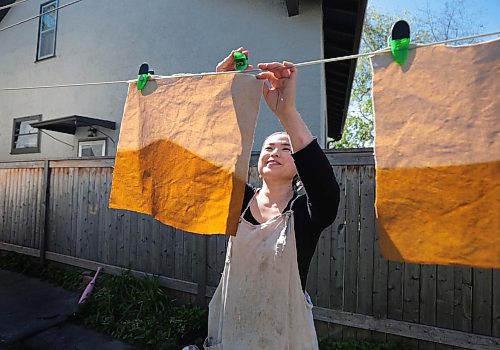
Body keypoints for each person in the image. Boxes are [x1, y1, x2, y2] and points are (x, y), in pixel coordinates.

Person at [203, 48, 341, 350]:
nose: (274, 152)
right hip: (231, 330)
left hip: (284, 336)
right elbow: (210, 160)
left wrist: (286, 113)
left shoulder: (306, 211)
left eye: (285, 148)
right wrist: (219, 89)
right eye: (268, 148)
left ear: (299, 166)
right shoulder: (238, 201)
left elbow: (326, 189)